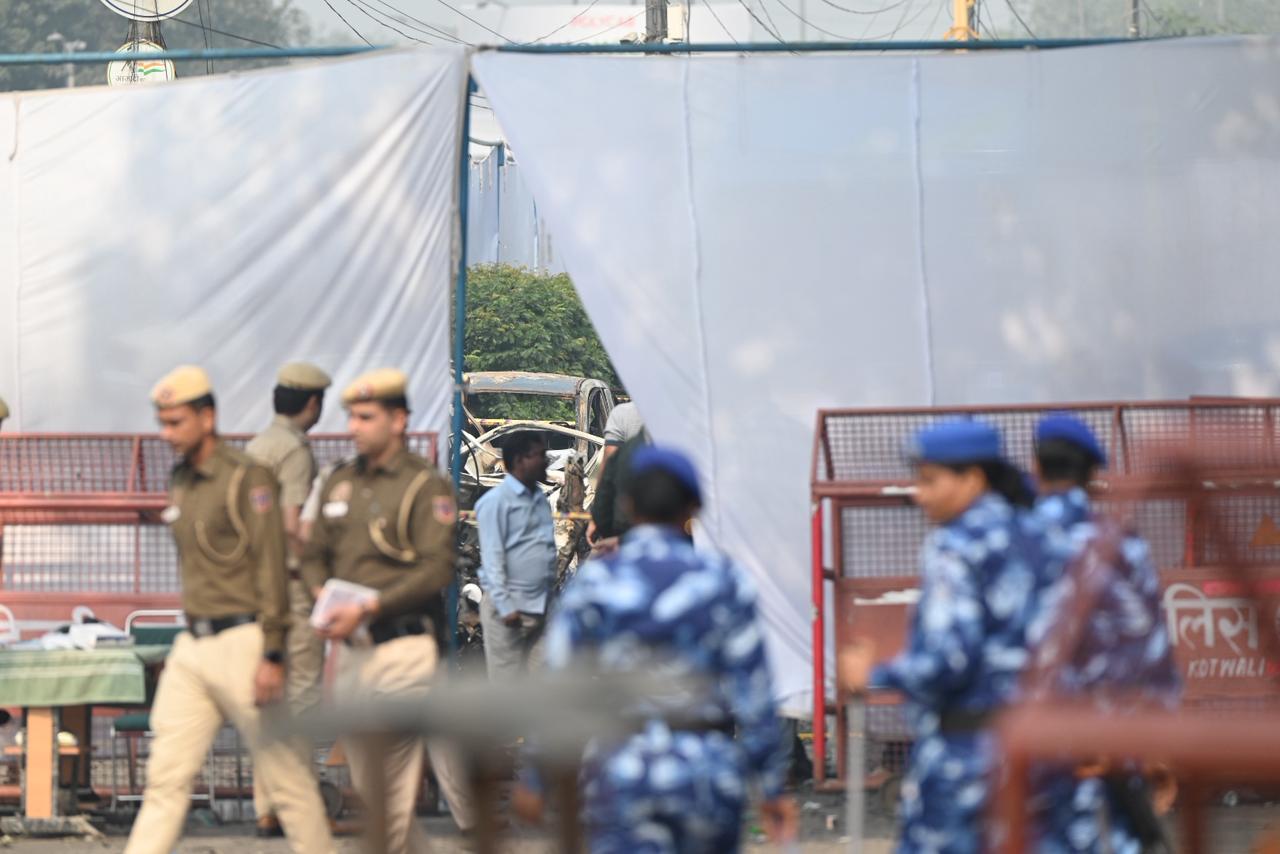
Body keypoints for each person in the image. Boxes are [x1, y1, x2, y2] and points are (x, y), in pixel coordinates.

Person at [513, 446, 798, 853]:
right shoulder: (724, 582)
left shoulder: (597, 583)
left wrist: (537, 775)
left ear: (627, 505)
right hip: (706, 775)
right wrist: (771, 786)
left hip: (619, 769)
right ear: (694, 507)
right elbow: (754, 695)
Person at [125, 366, 334, 854]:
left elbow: (271, 567)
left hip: (245, 642)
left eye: (175, 422)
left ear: (207, 415)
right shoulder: (181, 479)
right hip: (193, 645)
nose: (166, 434)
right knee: (164, 781)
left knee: (287, 781)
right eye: (162, 422)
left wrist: (274, 653)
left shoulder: (247, 478)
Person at [839, 418, 1058, 854]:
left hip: (967, 754)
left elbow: (949, 661)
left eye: (928, 481)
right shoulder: (1042, 536)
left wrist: (874, 674)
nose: (918, 494)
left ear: (972, 479)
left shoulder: (955, 544)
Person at [300, 367, 473, 851]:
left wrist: (371, 604)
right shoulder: (339, 481)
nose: (353, 427)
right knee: (373, 788)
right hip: (352, 651)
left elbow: (437, 569)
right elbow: (312, 553)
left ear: (398, 420)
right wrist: (321, 596)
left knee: (388, 786)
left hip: (405, 649)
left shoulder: (425, 487)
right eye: (351, 416)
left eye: (366, 417)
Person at [1028, 414, 1181, 853]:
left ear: (1036, 466)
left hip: (1030, 738)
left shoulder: (1012, 536)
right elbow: (1152, 652)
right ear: (1094, 476)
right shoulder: (1123, 544)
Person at [244, 361, 331, 837]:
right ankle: (297, 804)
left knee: (269, 702)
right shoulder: (294, 450)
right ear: (313, 404)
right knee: (299, 698)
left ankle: (266, 806)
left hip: (256, 589)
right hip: (293, 590)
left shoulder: (256, 447)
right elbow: (291, 525)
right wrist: (320, 584)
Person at [474, 430, 558, 681]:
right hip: (509, 612)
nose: (546, 461)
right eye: (540, 456)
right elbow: (492, 557)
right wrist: (505, 606)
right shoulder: (496, 502)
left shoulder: (539, 499)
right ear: (520, 460)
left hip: (540, 609)